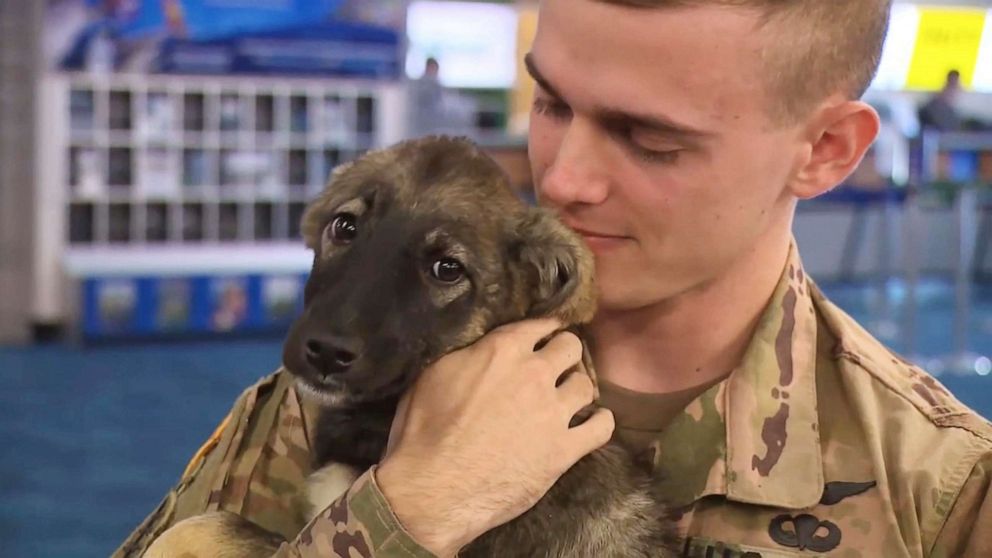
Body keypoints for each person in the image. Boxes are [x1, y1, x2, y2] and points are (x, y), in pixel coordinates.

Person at [115, 1, 992, 557]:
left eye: (650, 140)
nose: (563, 178)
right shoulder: (349, 379)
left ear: (827, 151)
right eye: (552, 103)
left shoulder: (939, 492)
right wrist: (408, 510)